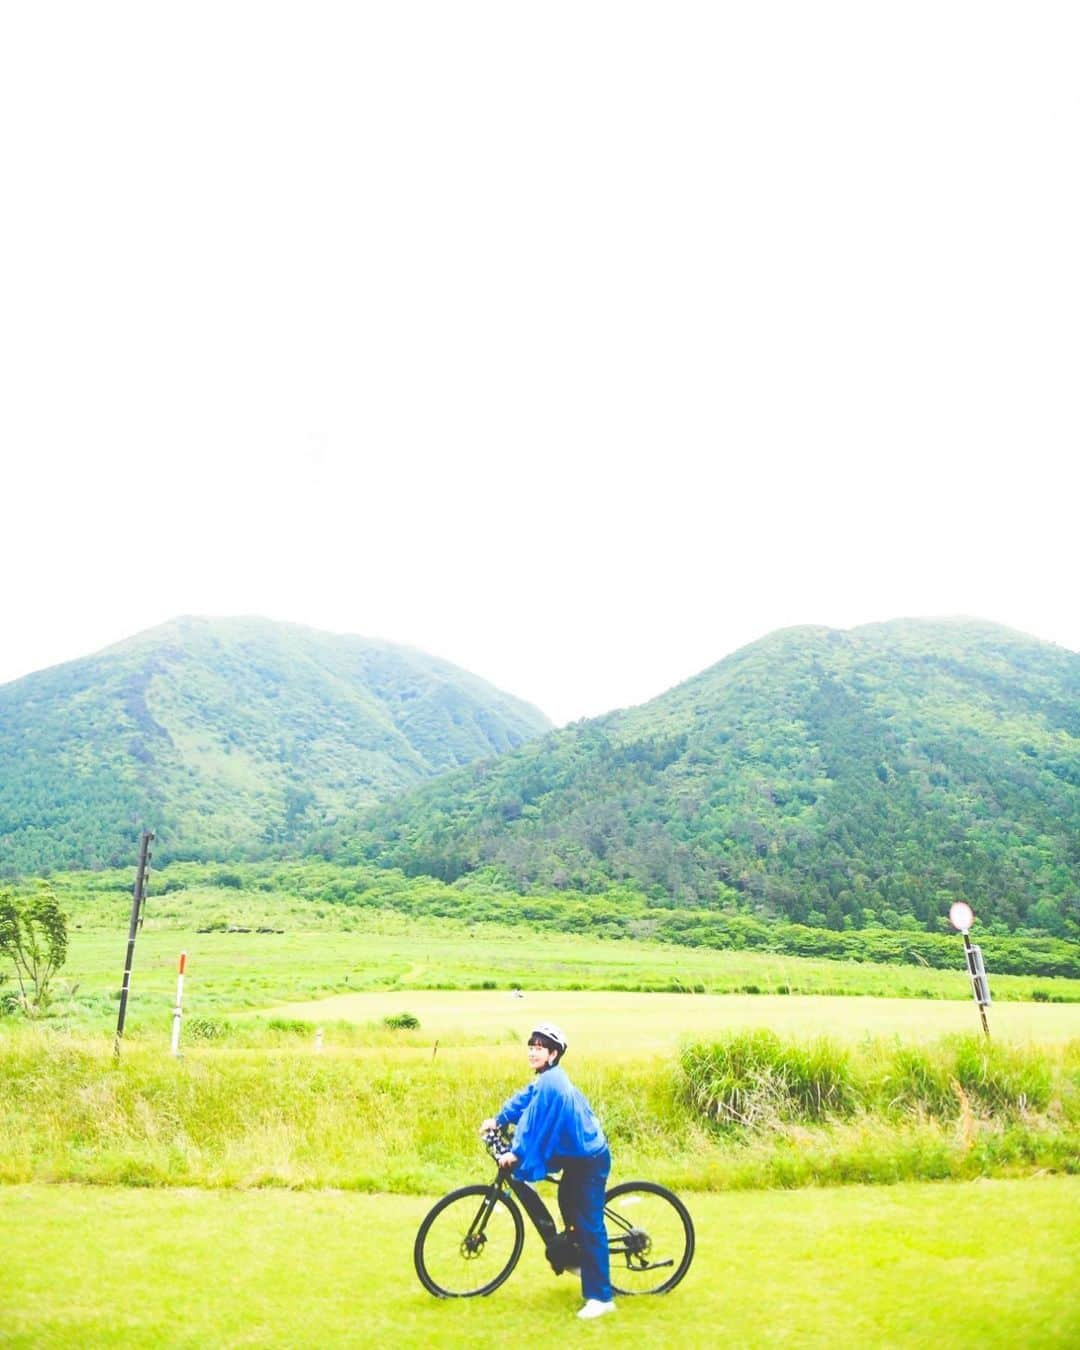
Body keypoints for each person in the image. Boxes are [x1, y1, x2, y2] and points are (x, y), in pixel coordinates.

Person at [479, 1022, 615, 1320]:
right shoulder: (544, 1080)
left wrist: (516, 1153)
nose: (533, 1051)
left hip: (589, 1159)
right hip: (575, 1156)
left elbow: (533, 1128)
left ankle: (602, 1297)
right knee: (567, 1203)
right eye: (531, 1046)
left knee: (589, 1223)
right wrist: (499, 1120)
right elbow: (524, 1100)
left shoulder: (553, 1084)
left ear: (553, 1054)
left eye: (540, 1047)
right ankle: (577, 1258)